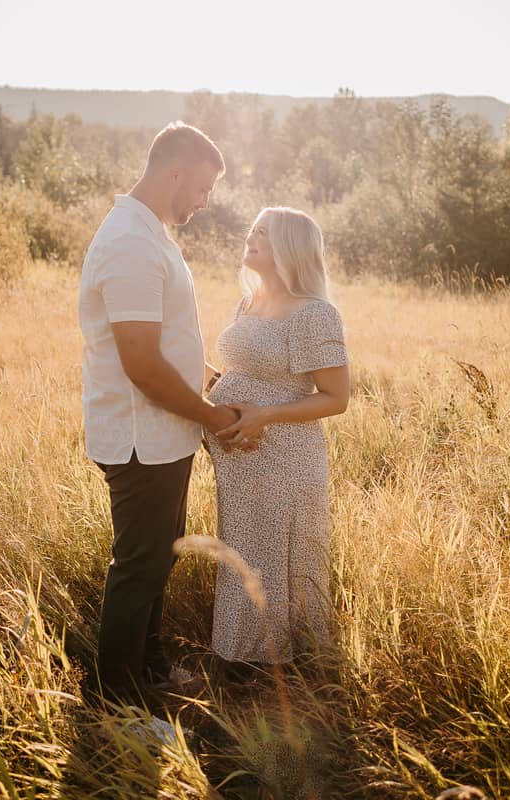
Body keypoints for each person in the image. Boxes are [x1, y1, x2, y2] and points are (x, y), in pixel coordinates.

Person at [77, 121, 242, 702]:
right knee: (139, 566)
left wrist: (211, 382)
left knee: (158, 557)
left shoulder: (149, 235)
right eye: (201, 188)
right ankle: (116, 700)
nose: (204, 202)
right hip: (140, 438)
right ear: (173, 171)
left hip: (163, 434)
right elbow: (142, 364)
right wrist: (212, 415)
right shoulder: (129, 243)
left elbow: (165, 342)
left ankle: (150, 671)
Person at [204, 206, 351, 668]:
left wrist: (263, 415)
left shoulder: (315, 314)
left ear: (288, 246)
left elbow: (335, 398)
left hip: (285, 455)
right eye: (252, 229)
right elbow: (240, 375)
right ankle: (237, 656)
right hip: (241, 457)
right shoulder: (246, 304)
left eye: (263, 233)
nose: (251, 237)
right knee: (243, 551)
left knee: (275, 553)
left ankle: (276, 668)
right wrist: (209, 388)